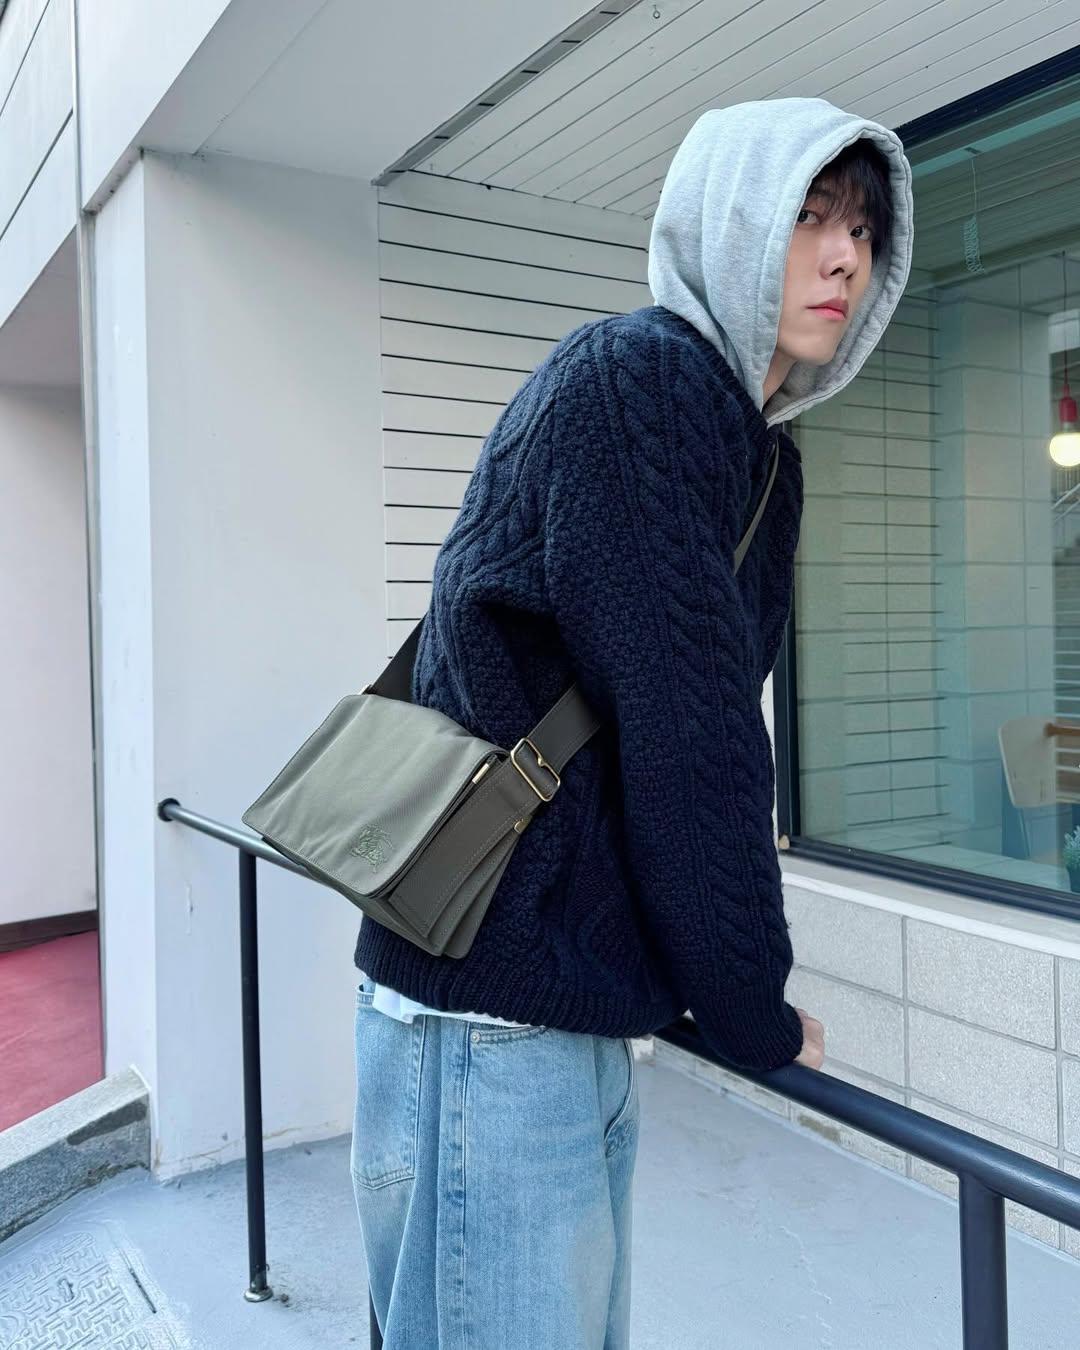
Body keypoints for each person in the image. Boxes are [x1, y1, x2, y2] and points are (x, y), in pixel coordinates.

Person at [350, 96, 914, 1349]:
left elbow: (682, 718)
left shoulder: (756, 451)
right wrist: (752, 1011)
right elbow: (695, 742)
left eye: (866, 231)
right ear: (731, 219)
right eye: (810, 217)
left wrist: (698, 989)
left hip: (554, 1004)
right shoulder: (641, 382)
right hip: (491, 1019)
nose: (844, 258)